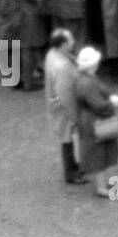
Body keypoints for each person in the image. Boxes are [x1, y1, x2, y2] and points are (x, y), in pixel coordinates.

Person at [74, 46, 118, 200]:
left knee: (98, 152)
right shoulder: (89, 83)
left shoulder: (82, 79)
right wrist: (112, 103)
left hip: (88, 119)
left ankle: (102, 185)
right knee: (99, 153)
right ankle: (102, 188)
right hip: (95, 121)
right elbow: (98, 105)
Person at [43, 28, 86, 185]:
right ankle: (72, 172)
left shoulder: (51, 55)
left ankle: (73, 169)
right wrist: (75, 116)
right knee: (68, 139)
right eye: (70, 40)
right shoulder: (63, 67)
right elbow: (66, 94)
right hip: (65, 109)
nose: (73, 41)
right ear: (63, 44)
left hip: (56, 104)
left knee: (65, 138)